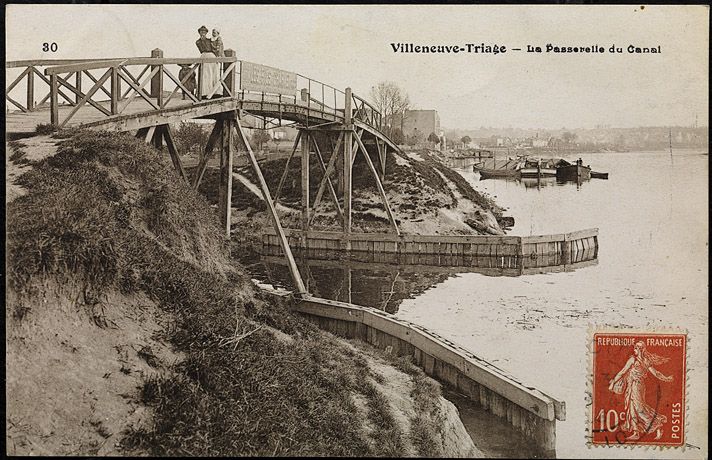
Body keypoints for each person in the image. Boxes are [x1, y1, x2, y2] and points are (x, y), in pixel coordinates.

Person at [608, 341, 673, 441]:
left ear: (641, 349)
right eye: (634, 348)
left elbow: (655, 373)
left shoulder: (645, 361)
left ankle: (657, 425)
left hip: (638, 386)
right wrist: (614, 382)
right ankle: (636, 432)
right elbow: (622, 371)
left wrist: (666, 378)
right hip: (631, 386)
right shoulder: (632, 359)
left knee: (639, 408)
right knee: (631, 408)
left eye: (636, 348)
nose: (634, 350)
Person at [195, 25, 219, 98]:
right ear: (199, 33)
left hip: (211, 56)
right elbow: (201, 50)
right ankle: (203, 93)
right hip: (204, 56)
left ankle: (215, 92)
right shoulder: (198, 42)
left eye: (204, 32)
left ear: (206, 33)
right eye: (201, 32)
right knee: (205, 75)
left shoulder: (210, 40)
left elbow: (215, 47)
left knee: (213, 74)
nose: (203, 33)